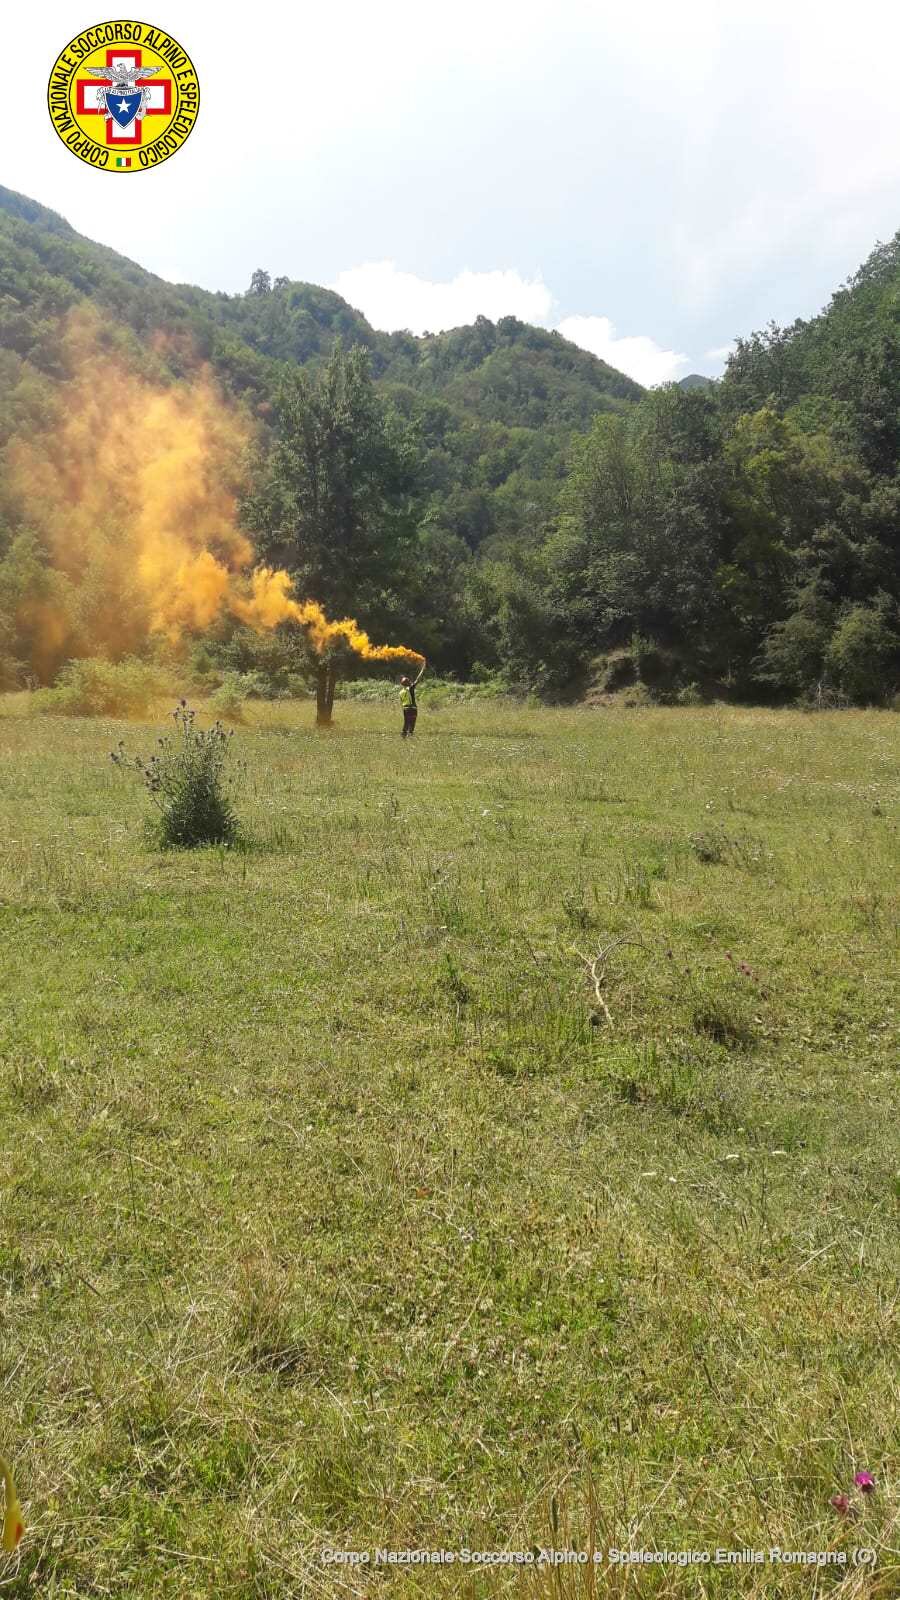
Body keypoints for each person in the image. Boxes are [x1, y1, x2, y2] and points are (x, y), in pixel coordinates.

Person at [399, 658, 426, 737]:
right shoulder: (410, 688)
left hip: (405, 709)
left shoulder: (401, 692)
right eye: (409, 681)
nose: (410, 681)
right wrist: (422, 670)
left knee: (406, 723)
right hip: (412, 709)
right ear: (408, 683)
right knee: (412, 724)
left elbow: (402, 702)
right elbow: (418, 679)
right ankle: (410, 736)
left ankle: (403, 736)